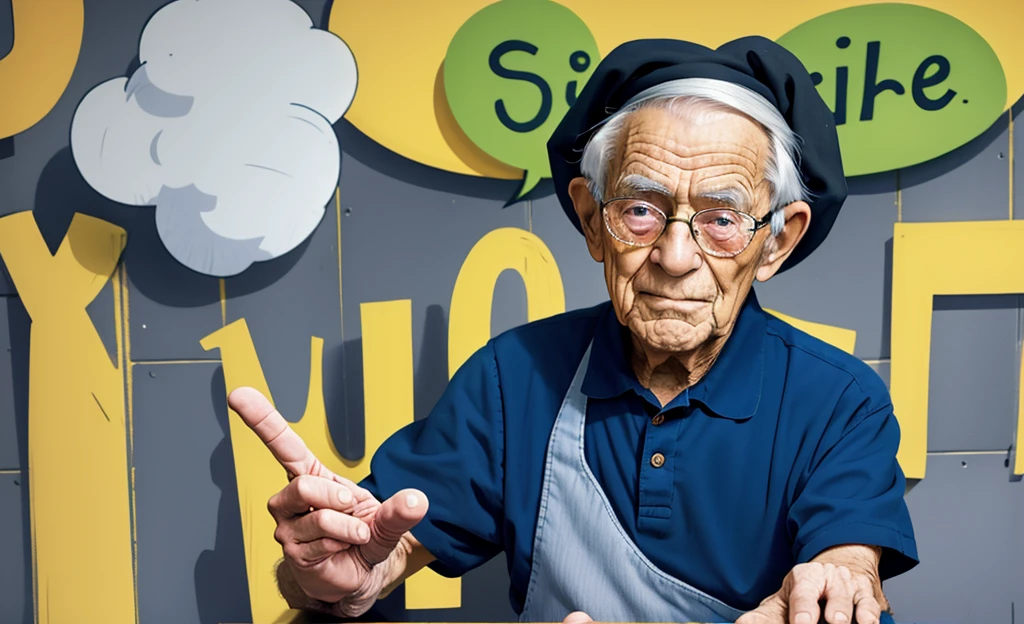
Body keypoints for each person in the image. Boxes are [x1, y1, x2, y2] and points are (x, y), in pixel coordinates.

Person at [228, 36, 918, 624]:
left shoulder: (840, 401)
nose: (676, 259)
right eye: (640, 210)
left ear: (775, 241)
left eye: (721, 219)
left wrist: (842, 573)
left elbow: (848, 557)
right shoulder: (516, 378)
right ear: (592, 219)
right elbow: (372, 556)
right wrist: (337, 582)